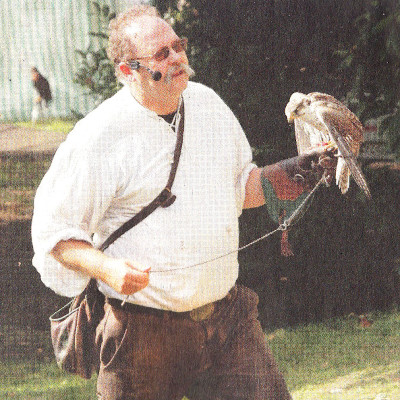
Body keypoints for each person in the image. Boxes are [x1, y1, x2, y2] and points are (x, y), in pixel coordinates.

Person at [31, 5, 336, 400]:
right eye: (161, 54)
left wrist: (301, 169)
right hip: (142, 336)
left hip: (227, 321)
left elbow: (240, 189)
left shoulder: (208, 104)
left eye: (178, 46)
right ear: (128, 71)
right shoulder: (97, 136)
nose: (177, 58)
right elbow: (53, 234)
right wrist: (106, 268)